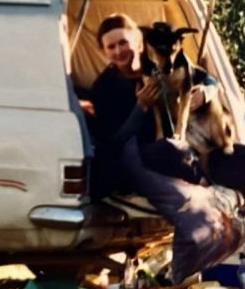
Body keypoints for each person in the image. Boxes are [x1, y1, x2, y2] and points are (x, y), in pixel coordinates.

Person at [84, 13, 215, 201]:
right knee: (171, 150)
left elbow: (207, 79)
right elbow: (115, 142)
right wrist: (141, 107)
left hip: (189, 141)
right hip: (148, 153)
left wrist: (206, 93)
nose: (119, 51)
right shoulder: (104, 87)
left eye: (123, 43)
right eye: (111, 47)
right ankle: (204, 179)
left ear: (138, 43)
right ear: (104, 52)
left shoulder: (158, 62)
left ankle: (208, 172)